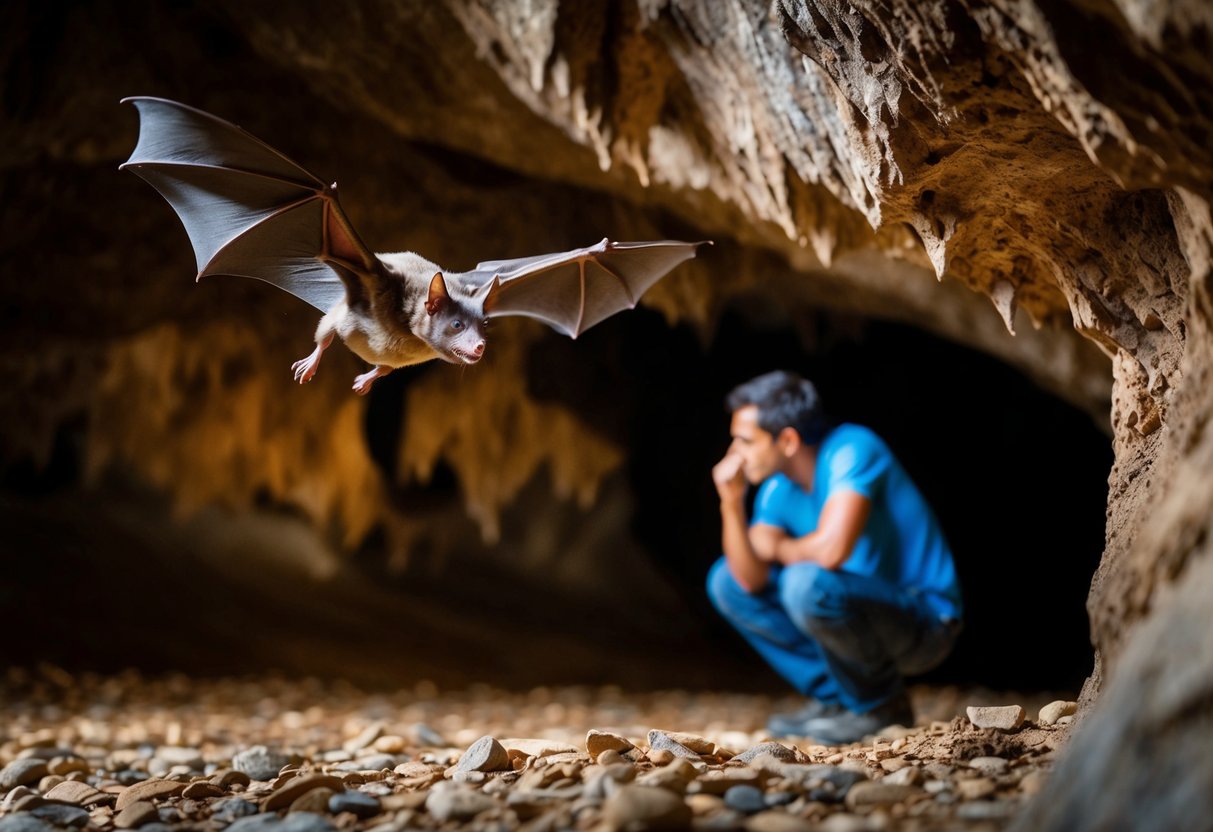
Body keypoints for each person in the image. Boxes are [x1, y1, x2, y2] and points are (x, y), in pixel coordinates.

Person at [707, 370, 962, 743]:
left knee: (804, 583)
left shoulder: (852, 448)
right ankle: (839, 699)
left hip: (924, 623)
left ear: (788, 440)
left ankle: (881, 706)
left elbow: (831, 550)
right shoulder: (777, 488)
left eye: (744, 441)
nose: (734, 455)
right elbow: (749, 580)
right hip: (856, 618)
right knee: (724, 580)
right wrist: (730, 502)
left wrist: (778, 548)